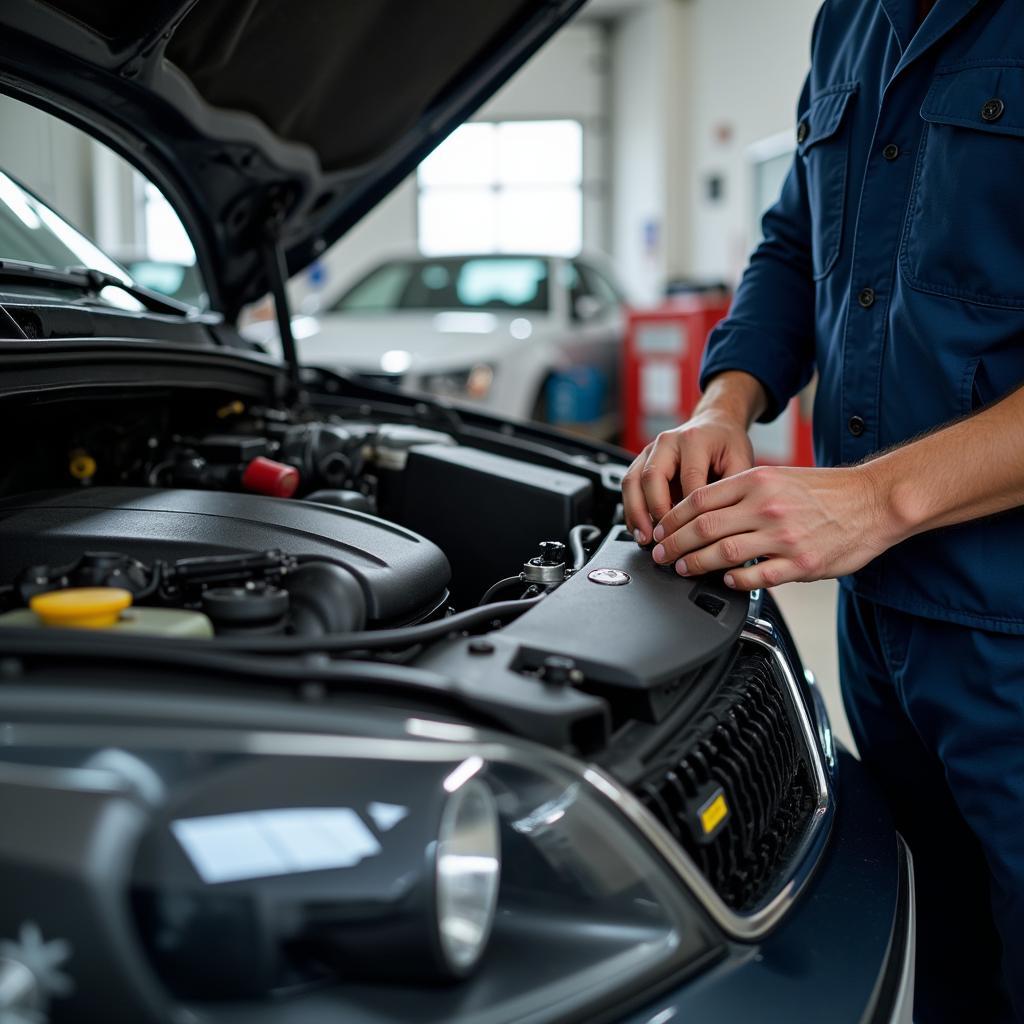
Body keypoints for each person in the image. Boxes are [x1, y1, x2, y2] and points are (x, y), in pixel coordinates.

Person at [620, 0, 1024, 1020]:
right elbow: (795, 243)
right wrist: (725, 400)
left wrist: (875, 497)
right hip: (881, 616)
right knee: (933, 953)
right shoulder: (851, 20)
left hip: (1010, 616)